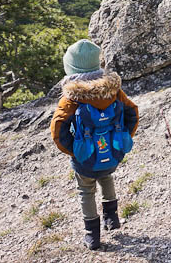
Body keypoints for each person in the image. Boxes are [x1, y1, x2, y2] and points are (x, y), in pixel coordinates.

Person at [50, 39, 139, 250]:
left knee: (86, 190)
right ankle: (112, 218)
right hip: (112, 153)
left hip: (85, 157)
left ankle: (92, 235)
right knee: (106, 177)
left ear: (70, 69)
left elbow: (58, 129)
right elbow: (132, 112)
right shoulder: (114, 90)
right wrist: (122, 139)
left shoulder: (71, 98)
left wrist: (74, 151)